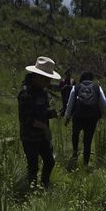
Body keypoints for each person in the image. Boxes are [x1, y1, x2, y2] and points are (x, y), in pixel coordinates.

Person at [18, 56, 61, 188]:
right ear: (39, 77)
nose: (49, 82)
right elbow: (26, 119)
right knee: (33, 166)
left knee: (50, 161)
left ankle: (44, 185)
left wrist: (51, 114)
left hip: (42, 136)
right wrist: (44, 127)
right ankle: (31, 191)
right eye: (47, 79)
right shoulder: (26, 93)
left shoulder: (42, 92)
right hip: (30, 137)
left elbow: (42, 112)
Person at [64, 71, 106, 168]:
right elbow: (103, 102)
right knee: (88, 141)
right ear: (91, 78)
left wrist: (67, 117)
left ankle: (75, 153)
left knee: (75, 134)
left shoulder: (76, 87)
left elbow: (70, 104)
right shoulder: (97, 87)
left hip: (78, 117)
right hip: (91, 118)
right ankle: (85, 164)